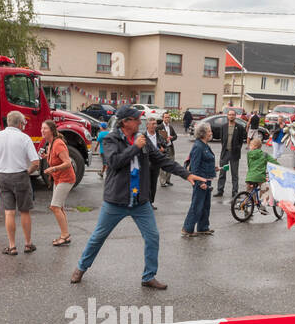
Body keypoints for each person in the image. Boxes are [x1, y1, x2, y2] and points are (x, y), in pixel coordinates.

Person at [71, 105, 210, 289]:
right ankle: (81, 267)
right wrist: (135, 148)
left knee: (152, 236)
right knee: (98, 236)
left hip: (140, 201)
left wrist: (186, 174)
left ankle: (148, 276)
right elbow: (114, 163)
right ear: (125, 122)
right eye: (137, 120)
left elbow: (162, 161)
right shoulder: (112, 139)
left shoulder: (142, 139)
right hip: (116, 200)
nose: (140, 123)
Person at [0, 110, 40, 254]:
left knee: (9, 212)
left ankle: (12, 246)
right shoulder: (24, 138)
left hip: (2, 176)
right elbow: (35, 162)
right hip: (20, 176)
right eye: (23, 123)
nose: (24, 125)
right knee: (24, 211)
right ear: (19, 123)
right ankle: (28, 244)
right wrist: (27, 172)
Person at [40, 119, 74, 246]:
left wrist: (53, 168)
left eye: (45, 128)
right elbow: (54, 157)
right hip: (59, 179)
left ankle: (65, 235)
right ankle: (64, 235)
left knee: (54, 207)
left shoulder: (58, 143)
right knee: (59, 207)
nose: (42, 130)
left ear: (52, 130)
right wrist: (46, 157)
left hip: (66, 179)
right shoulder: (51, 144)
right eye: (42, 128)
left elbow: (67, 162)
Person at [182, 120, 217, 237]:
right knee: (197, 206)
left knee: (206, 206)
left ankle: (203, 227)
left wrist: (214, 167)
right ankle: (187, 228)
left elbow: (205, 161)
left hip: (207, 179)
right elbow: (194, 167)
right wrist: (199, 182)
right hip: (201, 181)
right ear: (203, 133)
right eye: (209, 131)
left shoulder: (205, 145)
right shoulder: (198, 146)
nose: (211, 133)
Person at [215, 109, 246, 199]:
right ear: (227, 116)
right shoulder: (223, 127)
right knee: (222, 173)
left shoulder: (239, 127)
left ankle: (235, 192)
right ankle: (220, 190)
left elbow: (241, 140)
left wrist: (237, 148)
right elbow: (222, 139)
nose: (231, 116)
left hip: (234, 154)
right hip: (225, 153)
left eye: (233, 115)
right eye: (230, 115)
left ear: (235, 116)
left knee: (234, 174)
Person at [158, 112, 178, 187]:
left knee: (171, 164)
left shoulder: (170, 127)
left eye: (168, 117)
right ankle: (163, 181)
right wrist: (160, 146)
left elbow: (175, 136)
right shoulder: (159, 127)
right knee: (162, 165)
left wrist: (172, 138)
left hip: (170, 148)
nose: (167, 119)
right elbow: (156, 138)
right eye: (166, 117)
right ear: (163, 118)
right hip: (163, 148)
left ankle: (168, 180)